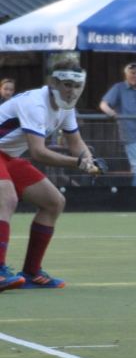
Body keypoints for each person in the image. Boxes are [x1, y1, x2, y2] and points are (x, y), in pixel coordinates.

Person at [0, 59, 102, 291]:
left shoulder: (66, 107)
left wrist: (90, 161)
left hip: (8, 156)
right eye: (67, 85)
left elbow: (76, 143)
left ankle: (31, 273)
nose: (72, 91)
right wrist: (79, 164)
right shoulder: (35, 103)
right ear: (53, 83)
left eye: (77, 86)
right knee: (6, 199)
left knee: (54, 202)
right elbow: (38, 152)